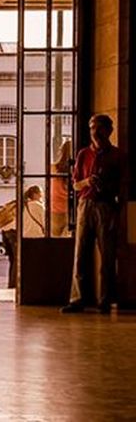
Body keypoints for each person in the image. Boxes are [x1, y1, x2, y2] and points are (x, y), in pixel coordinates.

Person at [62, 114, 126, 315]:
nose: (95, 132)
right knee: (80, 254)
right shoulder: (83, 154)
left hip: (106, 206)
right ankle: (77, 298)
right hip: (85, 204)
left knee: (107, 256)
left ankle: (105, 300)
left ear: (109, 131)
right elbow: (74, 184)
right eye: (92, 128)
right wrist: (88, 182)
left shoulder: (118, 156)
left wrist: (115, 204)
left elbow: (123, 186)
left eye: (99, 128)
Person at [50, 140, 72, 237]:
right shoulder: (75, 168)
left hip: (55, 207)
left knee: (55, 239)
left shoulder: (53, 167)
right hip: (70, 207)